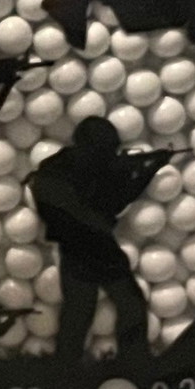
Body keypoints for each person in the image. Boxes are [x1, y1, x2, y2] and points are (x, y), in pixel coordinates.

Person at [32, 119, 175, 371]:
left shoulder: (57, 167)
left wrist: (148, 169)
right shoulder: (78, 170)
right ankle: (134, 362)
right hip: (95, 246)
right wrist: (143, 171)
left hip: (76, 247)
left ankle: (65, 367)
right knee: (128, 303)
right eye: (110, 148)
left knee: (79, 310)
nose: (114, 154)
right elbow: (114, 202)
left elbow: (112, 201)